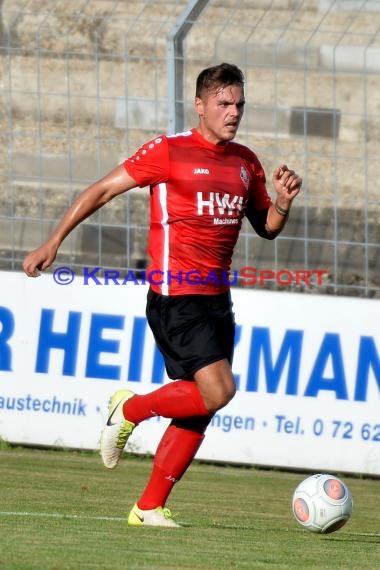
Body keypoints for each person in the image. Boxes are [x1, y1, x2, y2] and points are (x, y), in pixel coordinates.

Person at [23, 62, 302, 527]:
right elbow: (100, 191)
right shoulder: (168, 152)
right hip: (176, 296)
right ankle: (129, 409)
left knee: (201, 405)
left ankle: (148, 506)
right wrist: (53, 240)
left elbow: (267, 228)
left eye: (239, 104)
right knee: (218, 390)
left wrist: (283, 204)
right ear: (200, 105)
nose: (233, 112)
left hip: (217, 300)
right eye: (224, 103)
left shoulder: (245, 162)